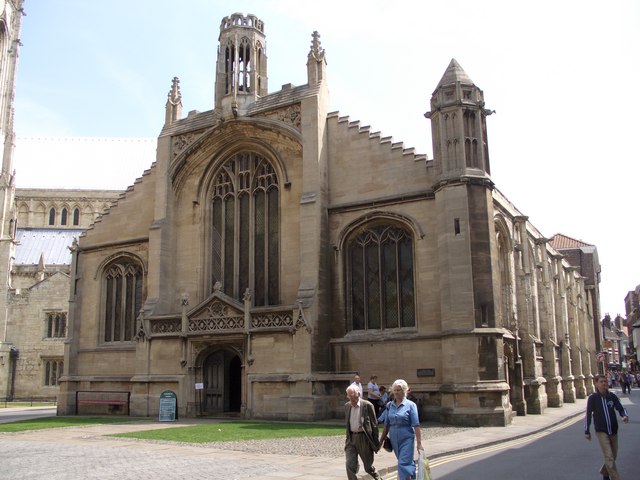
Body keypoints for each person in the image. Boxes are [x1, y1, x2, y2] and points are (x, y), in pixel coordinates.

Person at [584, 373, 629, 480]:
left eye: (605, 381)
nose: (604, 383)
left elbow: (621, 408)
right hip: (601, 431)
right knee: (609, 456)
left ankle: (605, 472)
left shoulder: (612, 396)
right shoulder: (593, 398)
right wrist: (587, 430)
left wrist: (624, 415)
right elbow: (588, 415)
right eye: (601, 382)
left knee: (613, 456)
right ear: (596, 384)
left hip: (613, 430)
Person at [379, 379, 423, 480]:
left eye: (398, 390)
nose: (396, 392)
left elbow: (416, 425)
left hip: (407, 437)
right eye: (394, 390)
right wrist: (381, 441)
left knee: (403, 463)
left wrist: (419, 443)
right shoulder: (389, 405)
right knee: (404, 462)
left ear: (404, 391)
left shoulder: (411, 405)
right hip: (394, 438)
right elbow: (386, 425)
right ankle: (411, 477)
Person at [344, 384, 382, 480]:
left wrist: (375, 442)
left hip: (364, 438)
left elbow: (374, 425)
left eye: (353, 396)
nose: (351, 399)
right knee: (349, 464)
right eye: (349, 396)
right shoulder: (347, 406)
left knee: (368, 467)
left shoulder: (367, 405)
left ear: (359, 394)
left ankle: (378, 478)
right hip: (351, 439)